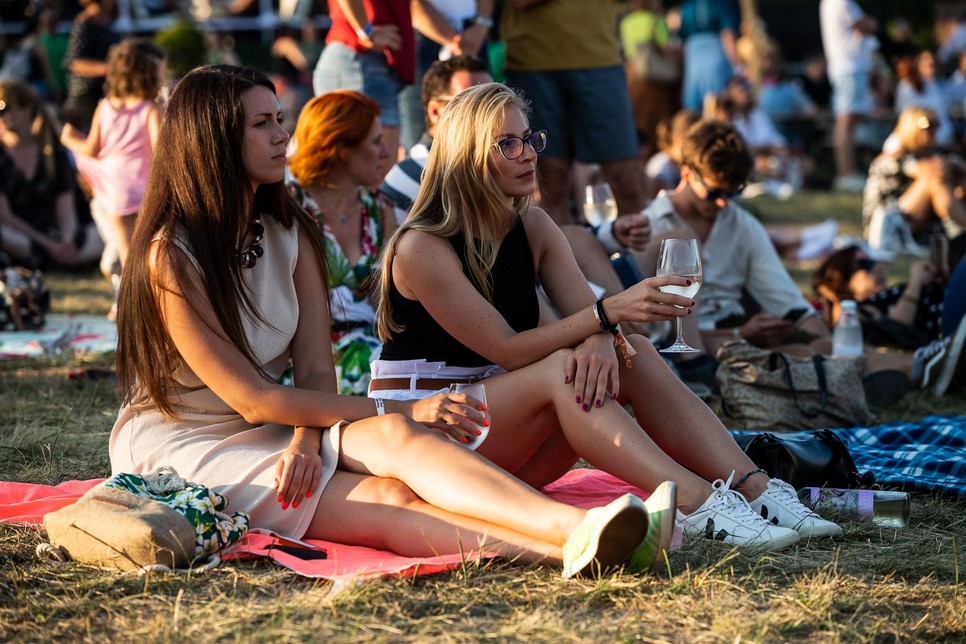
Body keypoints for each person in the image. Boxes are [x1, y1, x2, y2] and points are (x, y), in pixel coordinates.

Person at [108, 63, 665, 580]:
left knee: (396, 438)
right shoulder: (170, 255)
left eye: (279, 119)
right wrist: (403, 409)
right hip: (190, 443)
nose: (283, 136)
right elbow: (253, 398)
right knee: (391, 496)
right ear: (212, 139)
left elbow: (316, 373)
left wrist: (308, 436)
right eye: (263, 124)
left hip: (281, 422)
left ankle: (592, 530)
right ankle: (570, 539)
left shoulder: (292, 231)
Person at [372, 82, 842, 553]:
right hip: (437, 438)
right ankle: (698, 502)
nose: (529, 154)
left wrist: (601, 334)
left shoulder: (533, 225)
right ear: (466, 157)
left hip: (502, 432)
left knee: (633, 351)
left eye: (530, 139)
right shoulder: (422, 246)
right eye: (507, 144)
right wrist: (606, 314)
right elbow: (507, 349)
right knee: (565, 371)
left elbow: (592, 320)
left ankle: (755, 488)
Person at [500, 0, 651, 246]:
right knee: (551, 183)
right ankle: (562, 267)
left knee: (627, 182)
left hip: (601, 57)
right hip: (532, 59)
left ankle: (643, 268)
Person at [286, 90, 397, 395]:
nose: (386, 153)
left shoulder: (380, 209)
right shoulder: (290, 207)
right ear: (341, 149)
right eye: (376, 142)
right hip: (306, 362)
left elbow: (390, 304)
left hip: (374, 357)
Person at [60, 37, 165, 318]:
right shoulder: (151, 108)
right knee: (151, 250)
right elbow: (160, 150)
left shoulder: (105, 106)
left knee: (127, 254)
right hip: (144, 189)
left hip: (116, 190)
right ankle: (150, 308)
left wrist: (70, 139)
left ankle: (125, 307)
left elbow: (91, 149)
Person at [312, 0, 459, 179]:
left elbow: (415, 7)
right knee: (377, 175)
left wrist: (456, 41)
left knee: (371, 174)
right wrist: (366, 31)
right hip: (362, 62)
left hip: (361, 63)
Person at [0, 79, 103, 269]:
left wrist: (66, 241)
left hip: (53, 233)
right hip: (21, 236)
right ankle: (56, 257)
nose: (2, 115)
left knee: (103, 231)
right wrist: (48, 245)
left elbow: (66, 209)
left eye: (5, 107)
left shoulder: (52, 151)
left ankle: (60, 257)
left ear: (27, 108)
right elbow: (5, 215)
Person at [863, 107, 966, 258]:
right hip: (888, 224)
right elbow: (920, 169)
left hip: (920, 222)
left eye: (937, 124)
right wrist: (949, 165)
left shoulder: (934, 154)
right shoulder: (892, 157)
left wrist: (956, 169)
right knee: (934, 180)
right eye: (928, 125)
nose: (934, 131)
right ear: (911, 128)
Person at [819, 0, 879, 192]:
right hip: (848, 68)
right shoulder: (842, 2)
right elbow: (865, 25)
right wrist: (872, 23)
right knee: (845, 121)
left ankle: (849, 171)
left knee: (850, 123)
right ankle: (845, 174)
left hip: (848, 68)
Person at [62, 0, 120, 131]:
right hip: (86, 96)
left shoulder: (110, 20)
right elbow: (75, 62)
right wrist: (108, 69)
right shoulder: (85, 23)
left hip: (106, 93)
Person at [673, 0, 740, 113]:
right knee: (721, 107)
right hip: (717, 59)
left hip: (694, 64)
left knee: (694, 110)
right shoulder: (722, 4)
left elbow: (681, 42)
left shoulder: (686, 8)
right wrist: (737, 66)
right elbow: (727, 36)